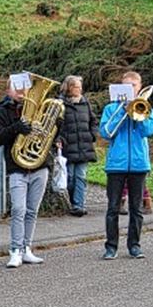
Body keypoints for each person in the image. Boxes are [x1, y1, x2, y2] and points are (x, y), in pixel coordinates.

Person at [99, 71, 153, 260]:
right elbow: (106, 132)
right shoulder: (111, 108)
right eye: (126, 85)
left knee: (136, 208)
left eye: (134, 85)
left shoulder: (145, 106)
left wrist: (136, 114)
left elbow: (148, 130)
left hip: (139, 164)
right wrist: (122, 113)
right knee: (113, 208)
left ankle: (134, 245)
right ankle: (111, 246)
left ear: (139, 87)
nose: (131, 88)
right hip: (116, 164)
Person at [0, 78, 49, 268]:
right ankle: (15, 250)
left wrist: (55, 125)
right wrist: (16, 128)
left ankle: (27, 248)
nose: (21, 92)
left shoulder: (40, 108)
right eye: (16, 88)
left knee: (32, 210)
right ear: (8, 90)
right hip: (17, 167)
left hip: (39, 165)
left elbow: (51, 134)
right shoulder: (3, 110)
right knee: (18, 209)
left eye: (25, 88)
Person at [55, 75, 99, 217]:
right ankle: (72, 201)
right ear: (68, 87)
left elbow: (93, 121)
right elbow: (56, 124)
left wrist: (92, 134)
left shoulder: (85, 103)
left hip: (84, 145)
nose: (79, 89)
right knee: (70, 177)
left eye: (80, 87)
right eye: (76, 87)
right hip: (68, 145)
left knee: (81, 176)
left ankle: (78, 205)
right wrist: (58, 138)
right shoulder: (60, 103)